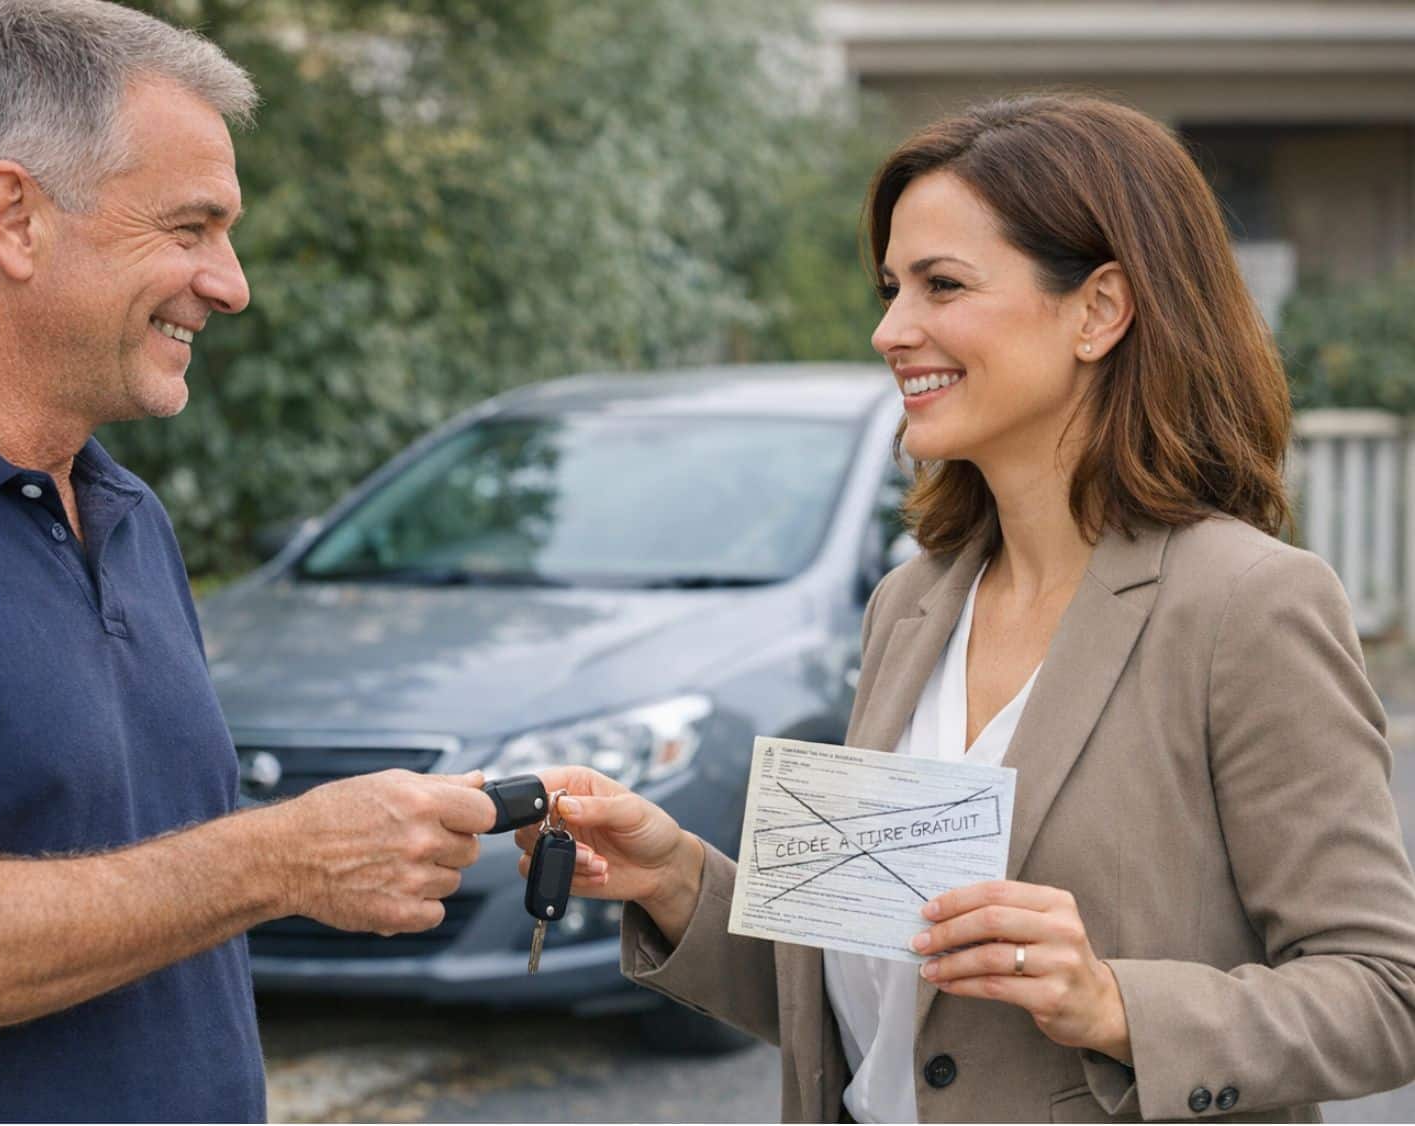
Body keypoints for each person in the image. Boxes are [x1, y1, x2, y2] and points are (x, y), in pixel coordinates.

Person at [516, 94, 1415, 1122]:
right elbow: (880, 1002)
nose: (889, 330)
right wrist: (672, 875)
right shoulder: (910, 604)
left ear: (1099, 311)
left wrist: (1113, 1004)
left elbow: (1384, 993)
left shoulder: (1247, 604)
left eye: (941, 284)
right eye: (891, 288)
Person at [0, 1, 497, 1120]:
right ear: (14, 217)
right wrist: (282, 859)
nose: (230, 283)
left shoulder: (124, 512)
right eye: (189, 228)